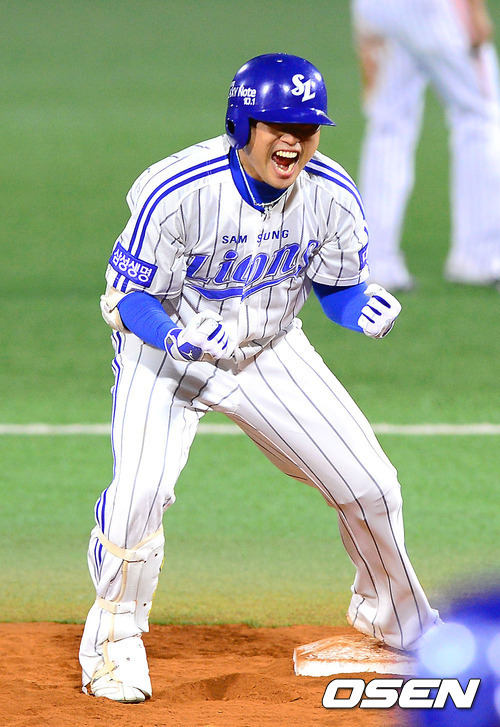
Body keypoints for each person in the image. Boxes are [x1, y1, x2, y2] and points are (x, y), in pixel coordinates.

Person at [79, 53, 440, 703]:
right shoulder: (177, 190)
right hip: (164, 354)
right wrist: (176, 335)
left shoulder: (330, 192)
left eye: (307, 128)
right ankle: (112, 641)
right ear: (243, 124)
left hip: (269, 350)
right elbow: (130, 297)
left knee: (371, 484)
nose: (294, 142)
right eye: (279, 126)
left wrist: (360, 307)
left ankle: (396, 620)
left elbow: (337, 285)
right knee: (139, 493)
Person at [351, 0, 500, 291]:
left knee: (388, 125)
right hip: (436, 9)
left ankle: (375, 261)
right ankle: (479, 257)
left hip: (376, 8)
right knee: (480, 116)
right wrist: (475, 10)